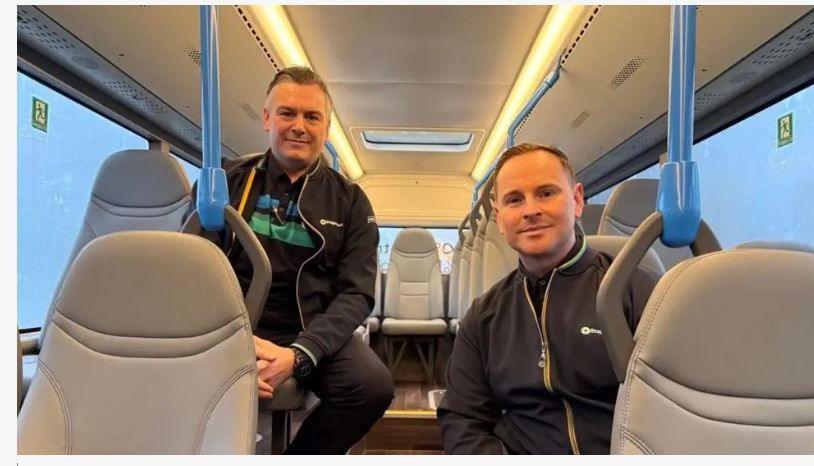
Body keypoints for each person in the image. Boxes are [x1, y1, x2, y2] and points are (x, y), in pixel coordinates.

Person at [188, 66, 394, 454]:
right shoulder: (223, 184)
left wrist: (299, 355)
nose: (299, 126)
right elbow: (192, 273)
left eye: (312, 116)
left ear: (326, 128)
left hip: (310, 327)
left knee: (371, 388)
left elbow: (356, 294)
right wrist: (232, 340)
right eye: (287, 113)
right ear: (267, 118)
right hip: (232, 324)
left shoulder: (350, 201)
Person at [437, 143, 658, 454]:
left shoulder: (636, 292)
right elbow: (462, 419)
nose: (531, 210)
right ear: (500, 218)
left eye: (545, 193)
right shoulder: (484, 315)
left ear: (577, 199)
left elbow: (668, 411)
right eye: (515, 199)